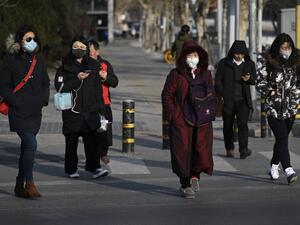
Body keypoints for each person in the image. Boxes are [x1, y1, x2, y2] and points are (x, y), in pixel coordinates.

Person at [0, 25, 50, 198]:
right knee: (31, 144)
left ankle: (19, 185)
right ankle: (29, 183)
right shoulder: (10, 61)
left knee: (26, 149)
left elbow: (46, 81)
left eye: (34, 39)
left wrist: (44, 99)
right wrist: (16, 102)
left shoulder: (39, 59)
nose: (32, 42)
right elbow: (3, 87)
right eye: (28, 39)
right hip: (19, 112)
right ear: (20, 42)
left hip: (35, 112)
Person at [162, 40, 214, 199]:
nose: (193, 58)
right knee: (182, 152)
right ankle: (185, 184)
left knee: (200, 150)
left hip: (201, 120)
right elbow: (167, 95)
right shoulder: (175, 75)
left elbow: (211, 94)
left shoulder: (206, 74)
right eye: (190, 55)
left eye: (195, 55)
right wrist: (173, 115)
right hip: (181, 120)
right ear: (184, 57)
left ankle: (195, 175)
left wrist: (210, 112)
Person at [54, 36, 108, 179]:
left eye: (82, 47)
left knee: (92, 141)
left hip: (90, 111)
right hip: (72, 111)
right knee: (71, 142)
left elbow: (97, 90)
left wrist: (101, 109)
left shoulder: (93, 66)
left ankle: (94, 167)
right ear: (71, 48)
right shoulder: (64, 68)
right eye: (76, 47)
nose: (79, 49)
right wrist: (76, 79)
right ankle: (71, 169)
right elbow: (59, 87)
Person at [256, 33, 299, 185]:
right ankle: (288, 170)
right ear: (278, 48)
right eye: (283, 48)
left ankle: (273, 166)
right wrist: (269, 91)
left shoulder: (295, 62)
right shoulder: (269, 62)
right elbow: (259, 82)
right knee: (282, 138)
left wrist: (296, 96)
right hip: (273, 108)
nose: (286, 50)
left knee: (281, 140)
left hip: (290, 108)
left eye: (289, 47)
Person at [214, 40, 256, 159]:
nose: (239, 56)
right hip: (228, 101)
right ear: (233, 53)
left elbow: (254, 80)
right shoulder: (224, 63)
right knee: (228, 126)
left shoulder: (249, 64)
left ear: (245, 54)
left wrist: (249, 79)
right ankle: (229, 148)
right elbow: (217, 81)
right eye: (237, 53)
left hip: (243, 100)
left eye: (242, 54)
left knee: (243, 125)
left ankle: (243, 149)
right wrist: (222, 94)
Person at [88, 39, 118, 165]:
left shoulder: (105, 65)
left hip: (104, 104)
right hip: (88, 105)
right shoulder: (83, 65)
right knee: (91, 132)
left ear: (97, 51)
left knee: (105, 131)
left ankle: (103, 153)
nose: (88, 54)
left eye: (90, 52)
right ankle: (93, 157)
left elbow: (114, 81)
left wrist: (105, 77)